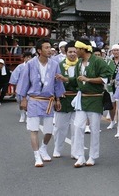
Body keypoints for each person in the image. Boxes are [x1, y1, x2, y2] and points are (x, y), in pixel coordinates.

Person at [18, 38, 65, 167]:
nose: (49, 50)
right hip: (33, 99)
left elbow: (57, 83)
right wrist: (23, 99)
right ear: (39, 50)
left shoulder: (55, 64)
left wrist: (58, 98)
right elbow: (24, 82)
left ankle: (43, 148)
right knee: (34, 129)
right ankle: (37, 155)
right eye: (46, 48)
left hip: (48, 100)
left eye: (50, 47)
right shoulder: (30, 64)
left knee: (49, 130)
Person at [72, 38, 112, 168]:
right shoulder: (78, 63)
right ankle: (80, 156)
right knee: (78, 127)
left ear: (83, 49)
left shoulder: (98, 61)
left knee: (94, 129)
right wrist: (65, 79)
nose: (75, 52)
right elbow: (77, 79)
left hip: (95, 99)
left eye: (77, 49)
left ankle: (92, 156)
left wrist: (88, 79)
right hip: (82, 98)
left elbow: (106, 78)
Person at [52, 41, 78, 159]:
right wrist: (56, 97)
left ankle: (75, 151)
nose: (72, 54)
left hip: (78, 99)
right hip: (63, 99)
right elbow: (55, 83)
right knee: (59, 127)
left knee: (76, 127)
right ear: (65, 52)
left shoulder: (82, 65)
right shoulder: (59, 65)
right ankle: (57, 148)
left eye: (74, 51)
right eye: (70, 52)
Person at [11, 52, 33, 121]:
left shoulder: (34, 66)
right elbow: (15, 76)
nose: (28, 59)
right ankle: (22, 114)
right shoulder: (20, 67)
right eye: (27, 57)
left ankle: (28, 115)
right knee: (20, 102)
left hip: (30, 87)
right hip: (21, 87)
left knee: (30, 102)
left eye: (30, 57)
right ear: (24, 58)